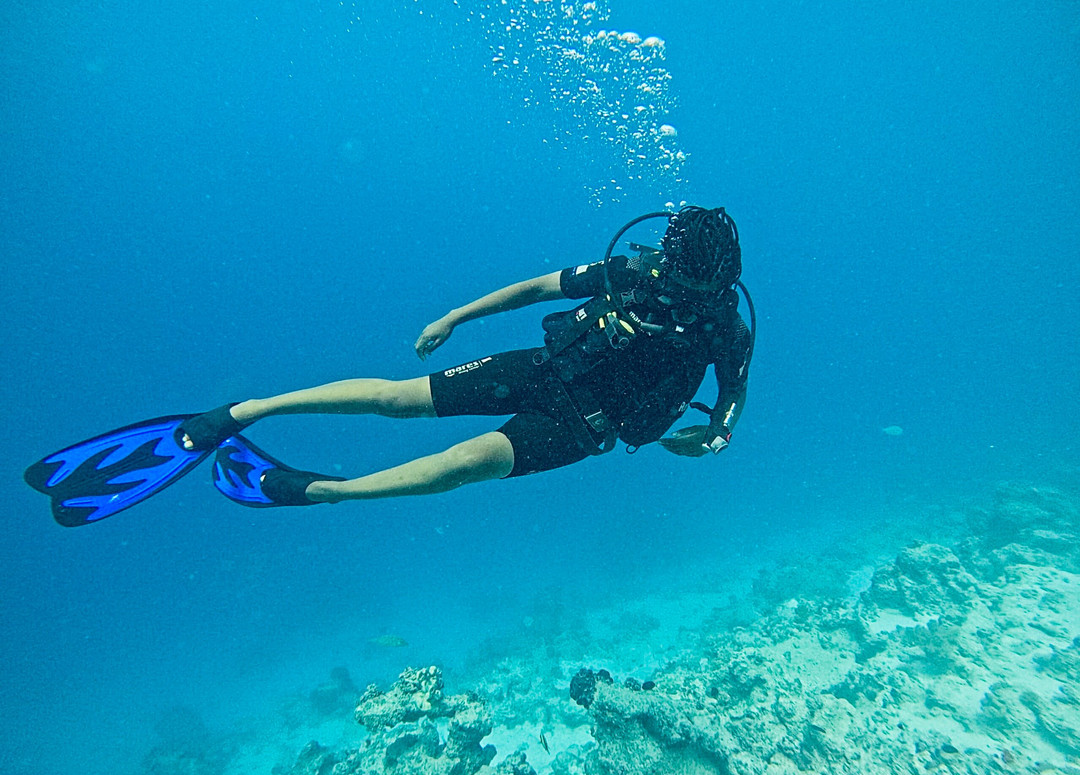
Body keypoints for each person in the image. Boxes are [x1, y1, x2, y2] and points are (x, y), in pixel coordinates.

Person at [24, 206, 754, 527]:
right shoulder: (630, 269)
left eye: (694, 287)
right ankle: (240, 413)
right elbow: (537, 288)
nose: (675, 291)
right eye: (674, 274)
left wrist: (716, 437)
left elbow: (731, 400)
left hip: (588, 424)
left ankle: (325, 492)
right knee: (397, 400)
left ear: (716, 283)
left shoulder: (726, 324)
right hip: (546, 369)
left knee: (466, 462)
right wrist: (455, 316)